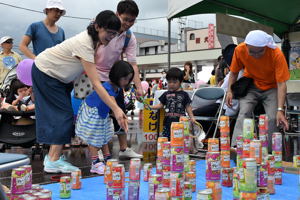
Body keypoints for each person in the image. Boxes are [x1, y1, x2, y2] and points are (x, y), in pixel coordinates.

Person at [32, 10, 127, 173]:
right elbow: (97, 84)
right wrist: (117, 109)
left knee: (61, 114)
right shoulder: (85, 43)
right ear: (97, 27)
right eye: (108, 32)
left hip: (59, 77)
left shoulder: (93, 40)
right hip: (46, 72)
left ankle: (52, 158)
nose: (111, 37)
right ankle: (53, 161)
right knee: (63, 114)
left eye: (114, 34)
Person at [226, 30, 290, 152]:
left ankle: (270, 152)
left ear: (266, 46)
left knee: (272, 118)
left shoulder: (276, 54)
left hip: (272, 87)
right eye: (252, 52)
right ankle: (236, 146)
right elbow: (234, 71)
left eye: (260, 51)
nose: (256, 55)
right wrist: (229, 90)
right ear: (246, 46)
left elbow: (281, 83)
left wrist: (280, 110)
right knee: (244, 112)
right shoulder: (240, 50)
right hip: (252, 85)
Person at [95, 0, 143, 158]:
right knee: (99, 114)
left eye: (132, 20)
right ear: (117, 15)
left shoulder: (129, 37)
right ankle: (99, 151)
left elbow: (133, 64)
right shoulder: (103, 27)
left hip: (114, 79)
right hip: (94, 75)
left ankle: (124, 149)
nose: (128, 24)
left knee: (120, 110)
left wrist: (139, 87)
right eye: (125, 19)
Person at [76, 61, 134, 174]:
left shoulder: (116, 87)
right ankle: (95, 163)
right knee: (93, 136)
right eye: (125, 78)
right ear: (117, 74)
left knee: (104, 135)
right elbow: (113, 102)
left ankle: (107, 159)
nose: (126, 82)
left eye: (129, 79)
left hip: (101, 113)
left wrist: (118, 113)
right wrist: (120, 114)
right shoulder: (108, 87)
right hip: (93, 110)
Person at [147, 67, 195, 141]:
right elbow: (160, 105)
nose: (171, 84)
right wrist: (151, 106)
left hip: (181, 124)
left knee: (180, 142)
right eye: (169, 82)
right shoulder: (166, 94)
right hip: (167, 123)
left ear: (181, 82)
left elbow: (188, 106)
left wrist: (192, 117)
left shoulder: (184, 94)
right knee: (167, 142)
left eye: (174, 82)